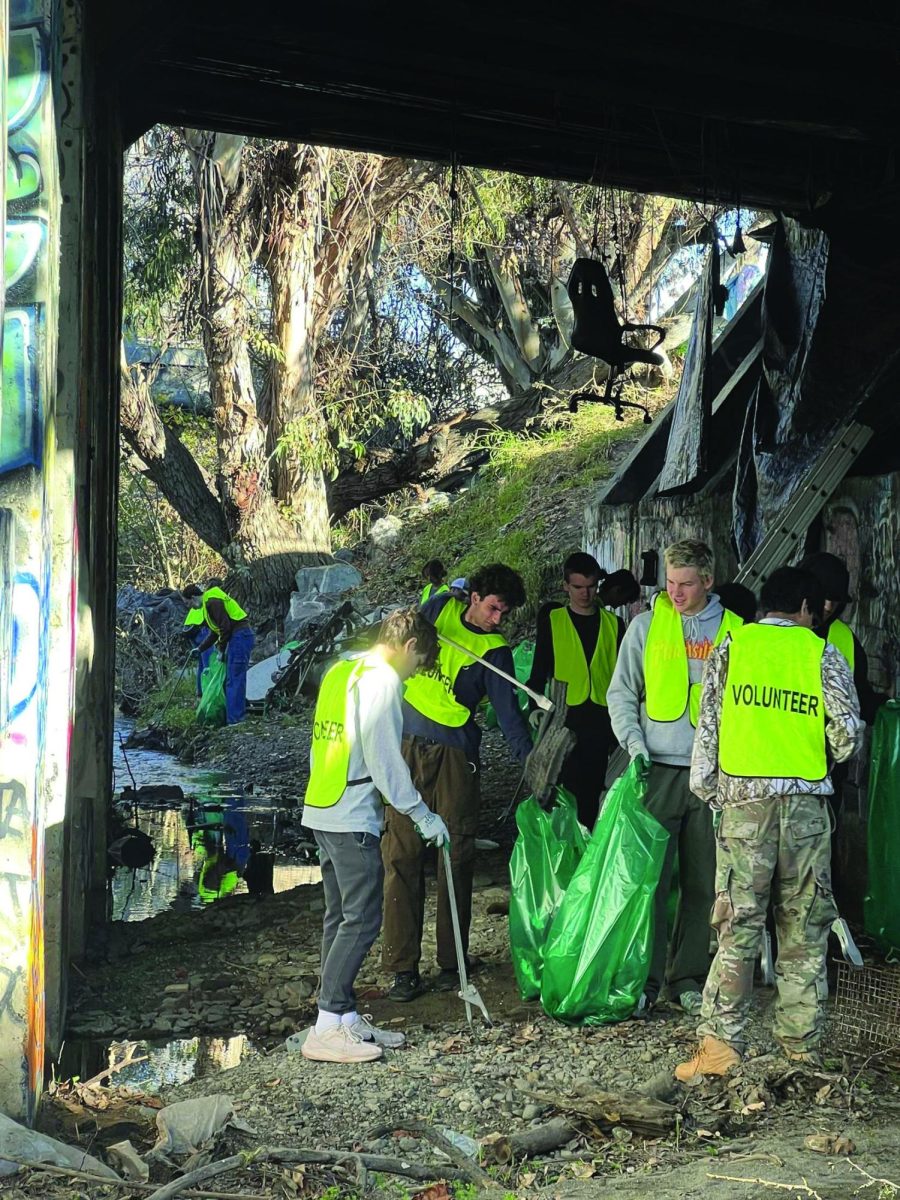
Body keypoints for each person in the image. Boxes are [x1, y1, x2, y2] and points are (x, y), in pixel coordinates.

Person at [676, 566, 864, 1079]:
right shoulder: (821, 652)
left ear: (765, 606)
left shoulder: (733, 648)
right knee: (803, 932)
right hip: (805, 812)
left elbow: (707, 730)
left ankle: (718, 1051)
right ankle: (801, 1051)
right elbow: (848, 737)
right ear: (806, 607)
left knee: (736, 929)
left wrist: (717, 793)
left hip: (743, 810)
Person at [299, 608, 447, 1063]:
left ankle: (342, 1016)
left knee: (339, 916)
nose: (413, 674)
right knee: (362, 919)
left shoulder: (342, 670)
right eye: (418, 663)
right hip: (350, 814)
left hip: (321, 805)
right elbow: (384, 759)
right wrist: (421, 814)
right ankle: (327, 1026)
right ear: (407, 647)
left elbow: (320, 741)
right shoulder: (382, 682)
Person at [382, 562, 533, 1001]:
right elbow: (404, 632)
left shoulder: (497, 653)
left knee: (456, 857)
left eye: (504, 613)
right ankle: (402, 968)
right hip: (407, 744)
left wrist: (531, 764)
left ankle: (453, 962)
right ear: (473, 597)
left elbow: (509, 717)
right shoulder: (440, 608)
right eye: (492, 608)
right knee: (401, 855)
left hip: (456, 758)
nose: (497, 618)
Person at [606, 539, 743, 1014]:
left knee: (704, 885)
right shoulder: (645, 627)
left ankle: (686, 977)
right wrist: (634, 745)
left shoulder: (736, 633)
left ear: (708, 580)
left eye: (686, 583)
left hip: (713, 779)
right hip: (657, 772)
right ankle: (643, 982)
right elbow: (620, 692)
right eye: (670, 582)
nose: (677, 592)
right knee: (651, 884)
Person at [527, 553, 636, 828]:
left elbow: (624, 676)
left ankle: (585, 846)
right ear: (566, 586)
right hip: (565, 716)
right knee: (559, 786)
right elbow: (540, 667)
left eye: (590, 587)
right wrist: (534, 708)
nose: (585, 594)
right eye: (577, 587)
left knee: (593, 788)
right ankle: (563, 844)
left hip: (602, 717)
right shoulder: (553, 621)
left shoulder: (615, 624)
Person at [798, 552, 888, 726]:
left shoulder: (845, 639)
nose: (828, 606)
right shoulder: (772, 631)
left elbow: (860, 699)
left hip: (819, 749)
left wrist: (886, 708)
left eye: (836, 599)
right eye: (824, 595)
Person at [183, 580, 256, 724]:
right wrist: (200, 648)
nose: (190, 607)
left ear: (193, 597)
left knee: (235, 678)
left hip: (240, 636)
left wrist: (221, 650)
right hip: (236, 637)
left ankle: (236, 720)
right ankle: (232, 716)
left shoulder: (212, 601)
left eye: (188, 604)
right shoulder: (206, 604)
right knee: (230, 679)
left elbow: (225, 628)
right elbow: (215, 632)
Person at [183, 605, 214, 696]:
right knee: (208, 665)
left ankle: (200, 692)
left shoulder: (196, 602)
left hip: (191, 630)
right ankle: (208, 694)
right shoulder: (206, 599)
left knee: (201, 664)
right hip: (202, 630)